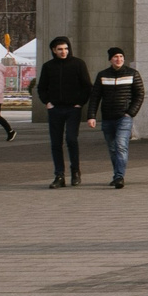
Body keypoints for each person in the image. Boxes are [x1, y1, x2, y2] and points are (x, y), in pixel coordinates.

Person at [34, 37, 92, 187]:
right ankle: (59, 175)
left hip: (73, 108)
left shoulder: (78, 64)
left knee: (71, 139)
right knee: (55, 143)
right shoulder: (48, 66)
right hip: (55, 109)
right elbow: (41, 87)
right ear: (54, 50)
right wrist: (47, 102)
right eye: (60, 49)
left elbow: (87, 86)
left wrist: (80, 103)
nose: (63, 52)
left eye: (66, 48)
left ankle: (75, 171)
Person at [88, 48, 144, 189]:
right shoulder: (102, 75)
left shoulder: (133, 74)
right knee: (112, 148)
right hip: (107, 118)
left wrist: (130, 113)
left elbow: (140, 95)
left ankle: (120, 176)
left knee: (120, 145)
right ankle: (116, 174)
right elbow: (95, 97)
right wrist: (91, 116)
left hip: (123, 117)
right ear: (110, 59)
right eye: (115, 57)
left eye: (121, 56)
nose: (118, 59)